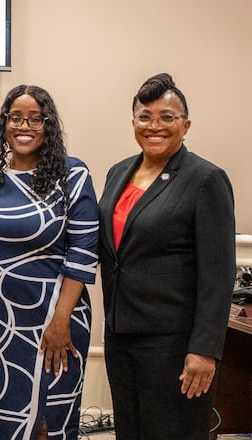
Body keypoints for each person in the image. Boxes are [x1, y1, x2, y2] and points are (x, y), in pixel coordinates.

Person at [98, 73, 235, 439]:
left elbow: (219, 274)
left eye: (167, 117)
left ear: (185, 125)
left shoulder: (206, 179)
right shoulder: (117, 174)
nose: (154, 126)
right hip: (121, 335)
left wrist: (205, 351)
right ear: (133, 123)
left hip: (173, 345)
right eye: (145, 116)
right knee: (130, 430)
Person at [0, 85, 99, 439]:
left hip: (53, 319)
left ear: (49, 124)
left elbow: (83, 254)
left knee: (47, 423)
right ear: (4, 123)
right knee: (2, 421)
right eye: (15, 117)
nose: (24, 126)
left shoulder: (72, 175)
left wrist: (60, 321)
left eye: (35, 118)